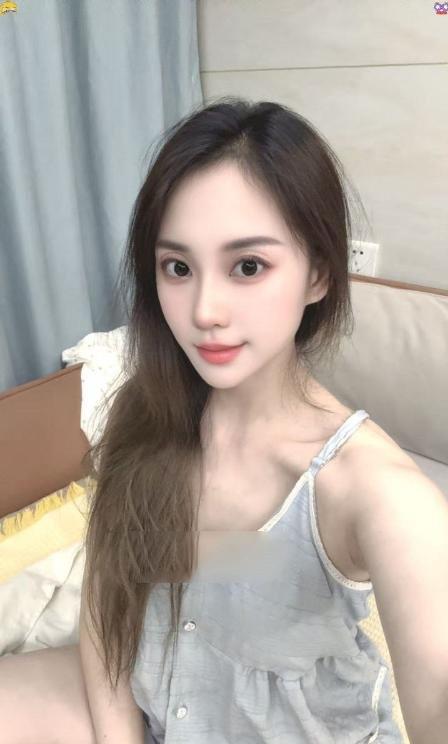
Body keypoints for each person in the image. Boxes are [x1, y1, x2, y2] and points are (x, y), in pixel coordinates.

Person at [2, 97, 447, 744]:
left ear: (319, 273)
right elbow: (106, 601)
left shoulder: (373, 491)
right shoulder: (143, 413)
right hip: (154, 704)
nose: (205, 309)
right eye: (178, 267)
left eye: (248, 266)